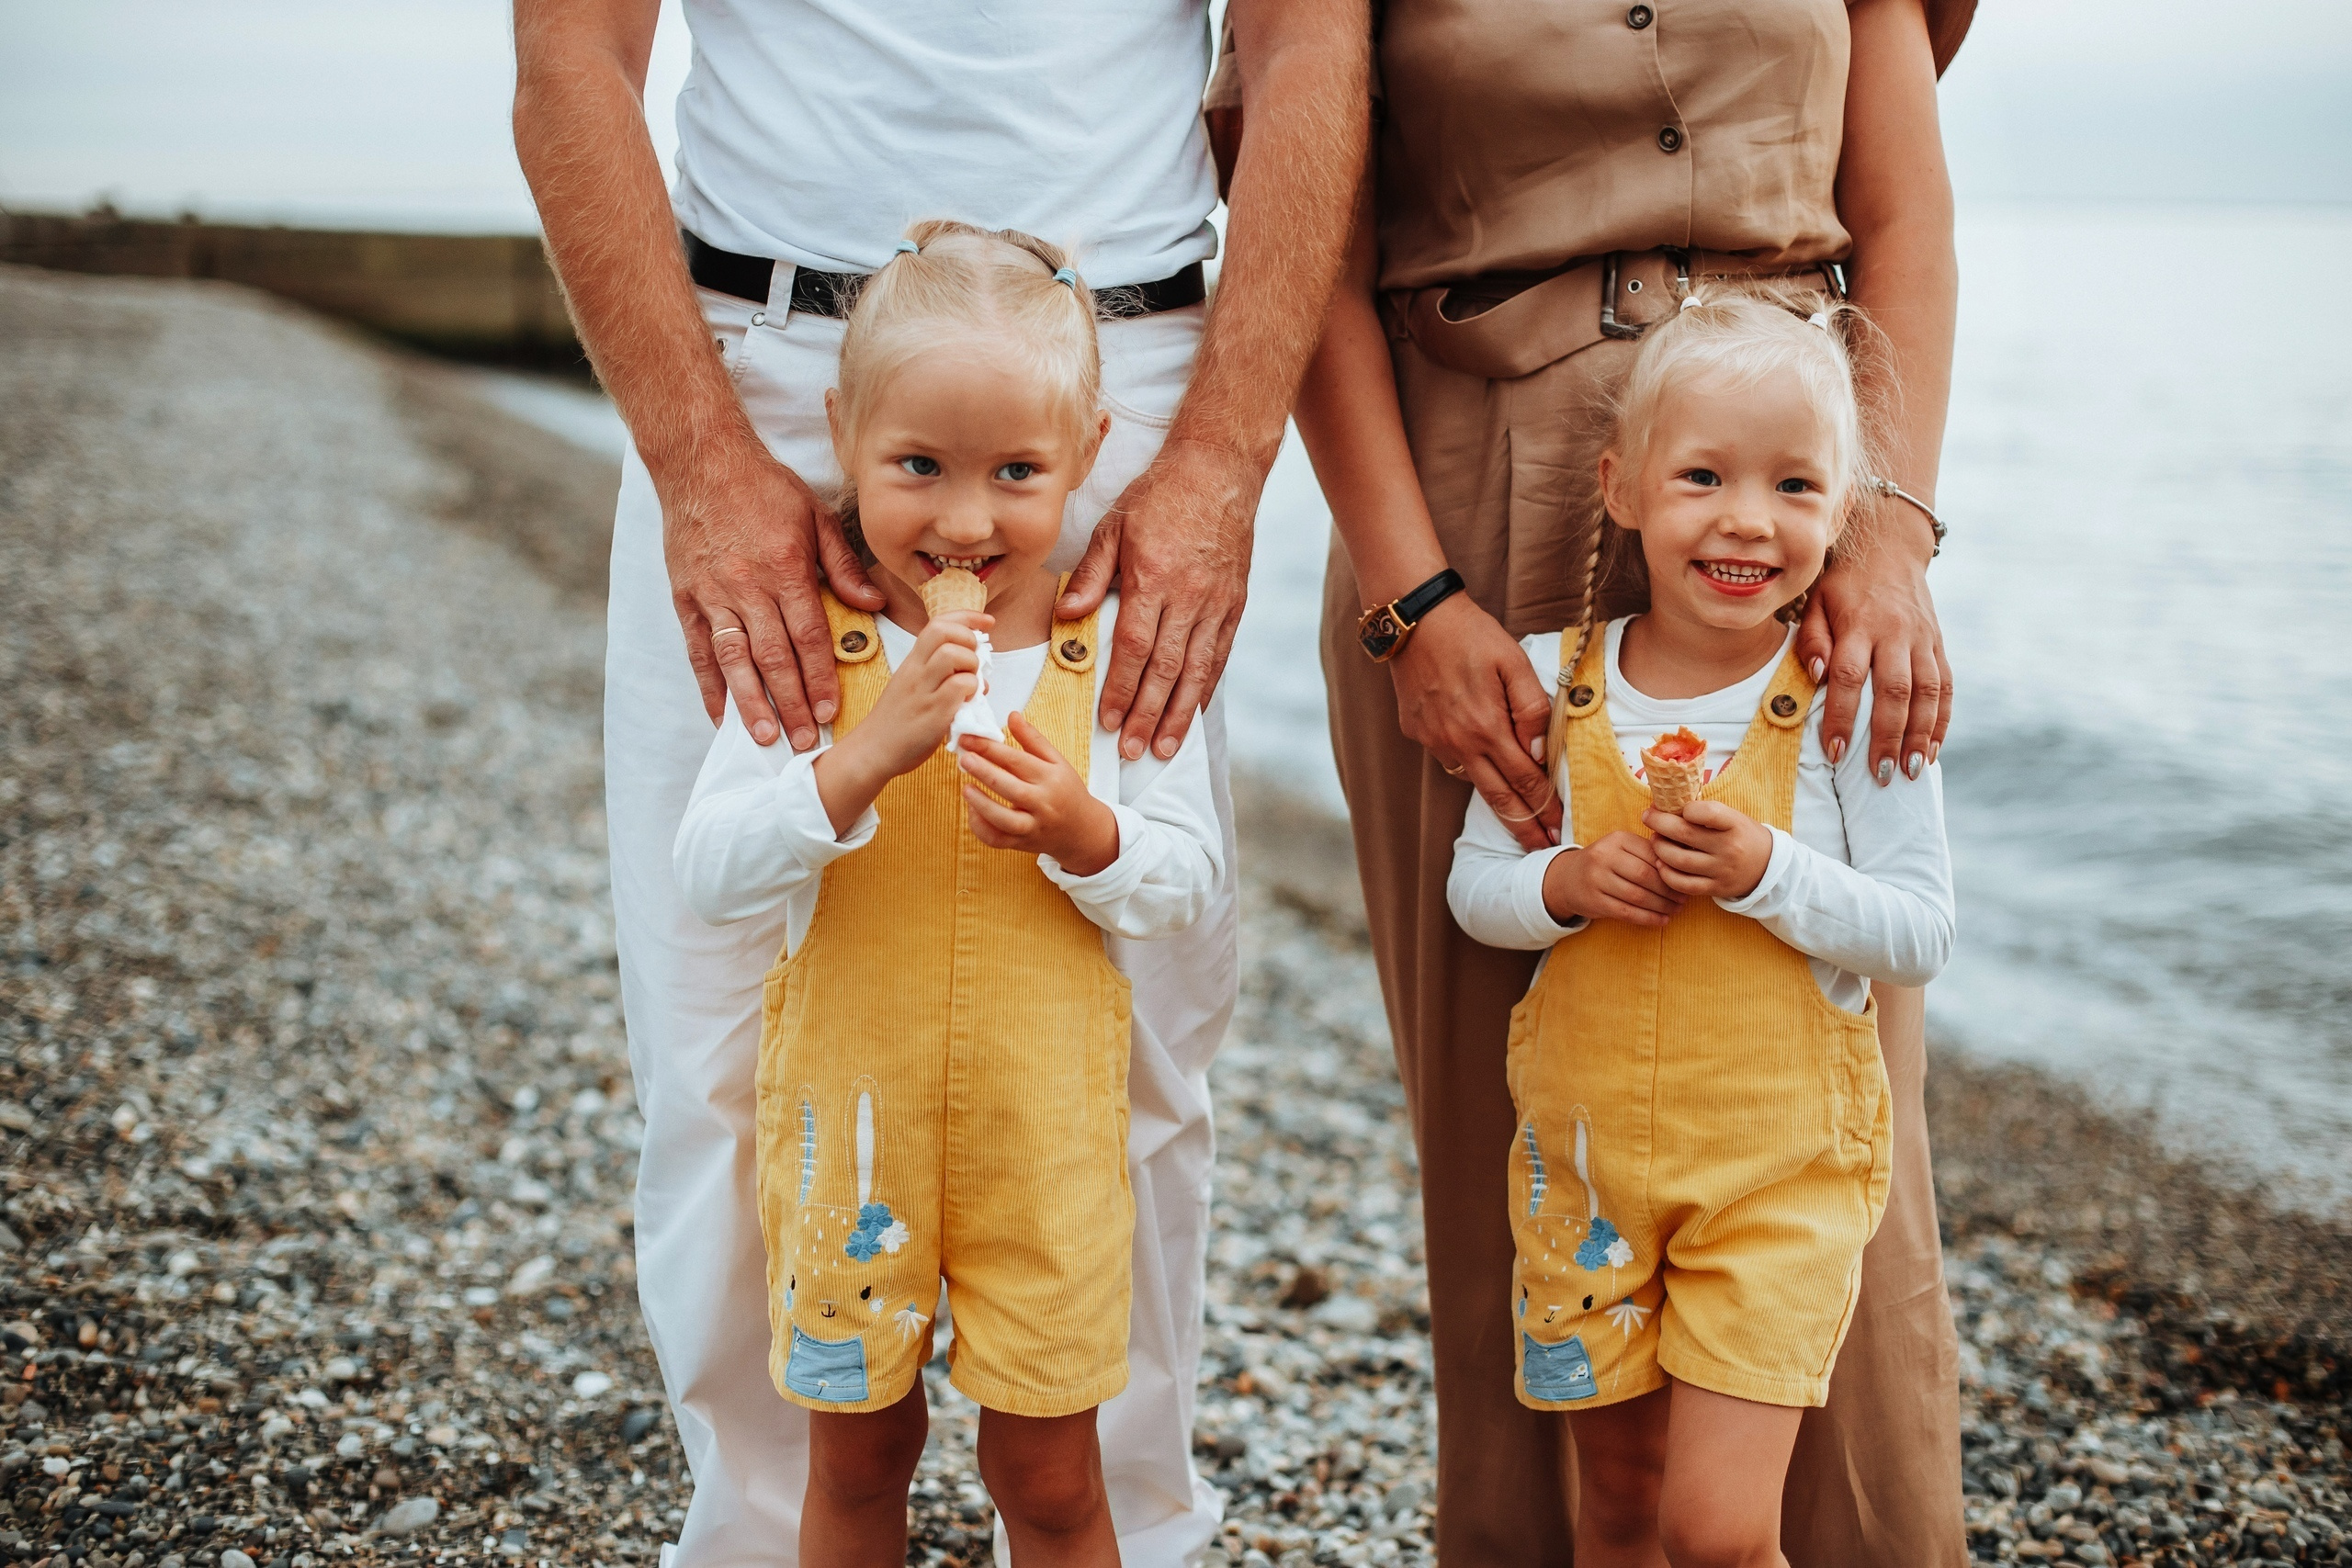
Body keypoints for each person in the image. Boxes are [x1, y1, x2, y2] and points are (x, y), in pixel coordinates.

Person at [512, 4, 1366, 1562]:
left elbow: (1311, 46)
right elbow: (570, 53)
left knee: (1141, 1046)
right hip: (757, 361)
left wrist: (1226, 459)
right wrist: (701, 456)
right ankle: (772, 1538)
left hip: (1123, 385)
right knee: (720, 1038)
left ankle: (1124, 1529)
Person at [1258, 0, 1977, 1560]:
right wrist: (1408, 599)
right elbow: (1291, 223)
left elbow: (1909, 208)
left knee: (1848, 1135)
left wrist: (1886, 530)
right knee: (1511, 1146)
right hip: (1460, 498)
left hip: (1799, 483)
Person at [673, 224, 1224, 1568]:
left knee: (1047, 1473)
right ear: (843, 435)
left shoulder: (1115, 666)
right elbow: (707, 873)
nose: (966, 521)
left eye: (1018, 474)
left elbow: (1191, 886)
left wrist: (1089, 834)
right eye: (917, 467)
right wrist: (857, 763)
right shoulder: (822, 655)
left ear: (1088, 457)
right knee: (861, 1460)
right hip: (850, 1141)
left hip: (1043, 1154)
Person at [1445, 288, 1954, 1568]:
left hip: (1772, 1179)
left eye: (1794, 486)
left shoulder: (1845, 704)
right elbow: (1476, 889)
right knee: (1616, 1513)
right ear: (1622, 489)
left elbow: (1919, 931)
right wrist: (1568, 884)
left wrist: (1768, 870)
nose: (1746, 518)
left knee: (1719, 1529)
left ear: (1843, 511)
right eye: (1704, 476)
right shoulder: (1555, 677)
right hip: (1588, 1167)